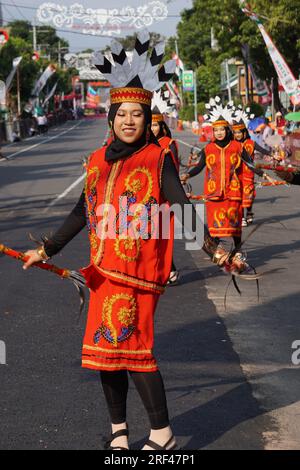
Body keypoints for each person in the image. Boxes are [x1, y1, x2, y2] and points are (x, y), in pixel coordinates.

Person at [22, 36, 248, 451]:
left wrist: (216, 249)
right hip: (102, 272)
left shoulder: (156, 158)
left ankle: (163, 436)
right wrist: (47, 249)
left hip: (138, 273)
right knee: (103, 353)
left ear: (147, 119)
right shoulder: (94, 162)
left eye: (137, 115)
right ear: (111, 119)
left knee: (134, 347)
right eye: (122, 114)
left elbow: (180, 209)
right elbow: (80, 212)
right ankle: (119, 432)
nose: (130, 121)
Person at [180, 97, 272, 253]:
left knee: (234, 225)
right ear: (213, 132)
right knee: (215, 225)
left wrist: (264, 175)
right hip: (214, 193)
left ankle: (237, 250)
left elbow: (250, 164)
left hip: (233, 192)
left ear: (227, 130)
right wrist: (187, 175)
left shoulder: (237, 146)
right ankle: (217, 251)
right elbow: (200, 166)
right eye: (216, 130)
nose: (219, 132)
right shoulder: (209, 148)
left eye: (222, 129)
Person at [151, 91, 180, 285]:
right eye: (149, 124)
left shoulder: (168, 144)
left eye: (155, 124)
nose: (152, 128)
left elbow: (174, 170)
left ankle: (171, 268)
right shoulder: (141, 144)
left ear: (161, 126)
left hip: (164, 197)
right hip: (145, 197)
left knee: (161, 236)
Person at [231, 106, 272, 226]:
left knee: (248, 196)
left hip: (249, 173)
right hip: (236, 174)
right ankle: (242, 216)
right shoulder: (232, 144)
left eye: (240, 132)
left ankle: (249, 212)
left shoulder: (251, 143)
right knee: (238, 195)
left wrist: (273, 155)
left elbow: (264, 150)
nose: (238, 135)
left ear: (244, 132)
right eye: (236, 132)